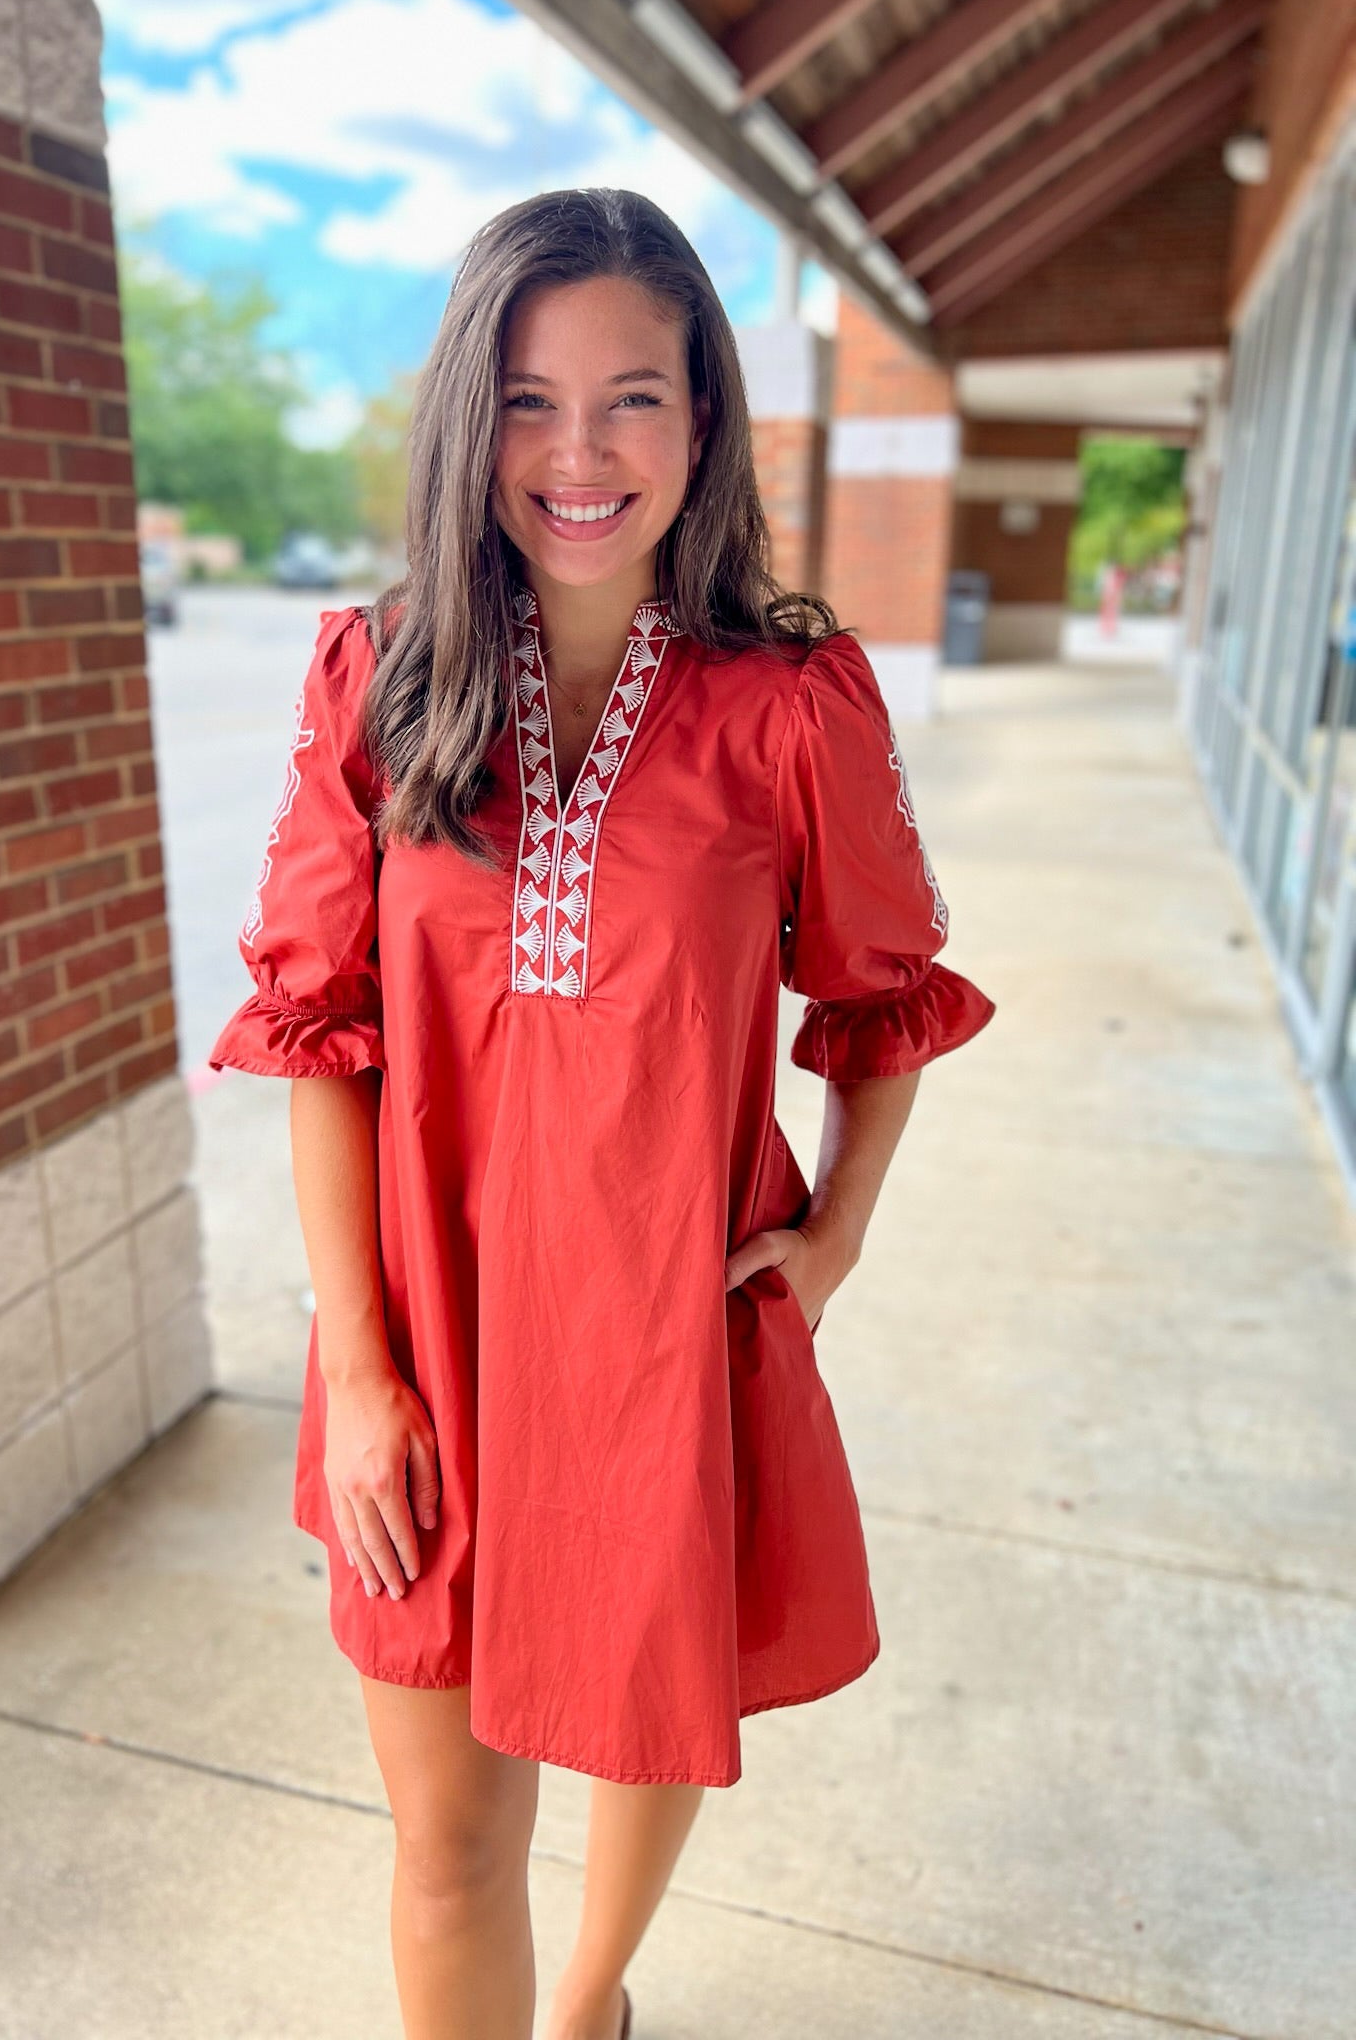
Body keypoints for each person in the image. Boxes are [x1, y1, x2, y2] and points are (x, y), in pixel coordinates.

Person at [210, 187, 996, 2040]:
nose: (580, 454)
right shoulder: (374, 680)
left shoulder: (793, 705)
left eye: (634, 397)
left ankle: (593, 2006)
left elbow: (882, 995)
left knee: (652, 1723)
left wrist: (841, 1225)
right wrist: (367, 1375)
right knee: (445, 1852)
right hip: (434, 1345)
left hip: (666, 1334)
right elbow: (318, 1033)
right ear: (467, 421)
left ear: (704, 420)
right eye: (531, 400)